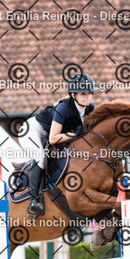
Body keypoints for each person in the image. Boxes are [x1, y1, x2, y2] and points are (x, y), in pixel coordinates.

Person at [19, 73, 98, 216]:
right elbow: (53, 139)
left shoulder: (90, 108)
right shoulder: (64, 108)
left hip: (50, 133)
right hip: (32, 131)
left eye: (90, 93)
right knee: (40, 158)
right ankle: (34, 202)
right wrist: (74, 134)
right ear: (73, 95)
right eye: (83, 93)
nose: (88, 97)